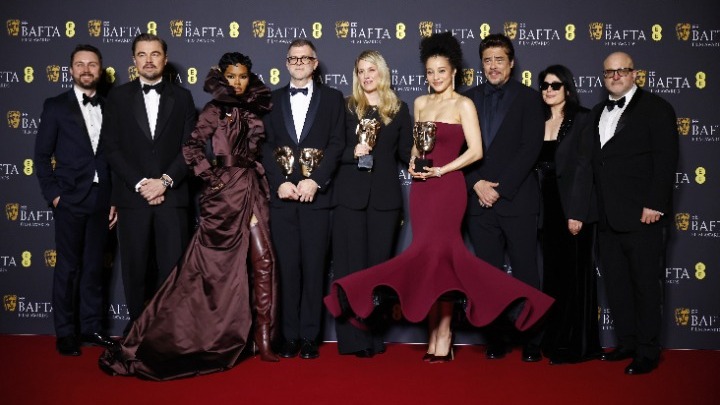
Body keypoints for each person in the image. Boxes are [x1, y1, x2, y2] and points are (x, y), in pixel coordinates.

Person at [324, 32, 553, 363]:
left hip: (448, 188)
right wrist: (415, 164)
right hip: (423, 189)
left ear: (454, 72)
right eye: (430, 72)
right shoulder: (419, 103)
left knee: (446, 262)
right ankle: (432, 332)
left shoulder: (464, 104)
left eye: (441, 71)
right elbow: (417, 148)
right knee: (427, 263)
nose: (435, 77)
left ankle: (447, 334)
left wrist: (443, 170)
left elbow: (476, 152)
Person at [99, 52, 278, 380]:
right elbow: (192, 148)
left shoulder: (258, 108)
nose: (237, 82)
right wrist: (213, 178)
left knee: (263, 260)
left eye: (243, 76)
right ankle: (212, 334)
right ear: (222, 77)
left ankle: (263, 337)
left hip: (252, 189)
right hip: (224, 197)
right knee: (218, 270)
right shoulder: (212, 109)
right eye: (232, 76)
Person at [591, 52, 678, 375]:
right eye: (609, 72)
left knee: (645, 286)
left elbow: (666, 159)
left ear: (635, 74)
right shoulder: (598, 112)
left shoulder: (657, 108)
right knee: (617, 284)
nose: (615, 76)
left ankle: (647, 351)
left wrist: (655, 204)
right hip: (606, 217)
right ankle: (626, 342)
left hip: (643, 216)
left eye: (622, 70)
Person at [101, 33, 196, 327]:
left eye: (155, 54)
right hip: (133, 198)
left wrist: (164, 181)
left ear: (165, 59)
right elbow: (111, 148)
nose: (149, 60)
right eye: (142, 54)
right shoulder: (118, 97)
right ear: (134, 60)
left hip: (173, 197)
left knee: (173, 270)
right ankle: (137, 331)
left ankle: (170, 333)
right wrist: (142, 184)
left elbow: (190, 147)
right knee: (135, 269)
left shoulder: (183, 97)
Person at [462, 33, 546, 362]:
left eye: (499, 59)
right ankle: (496, 338)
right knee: (488, 274)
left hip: (517, 200)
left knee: (526, 272)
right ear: (481, 65)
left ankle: (533, 339)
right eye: (487, 60)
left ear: (511, 63)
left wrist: (500, 188)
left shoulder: (530, 98)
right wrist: (476, 184)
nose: (493, 66)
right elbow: (458, 150)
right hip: (478, 203)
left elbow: (530, 148)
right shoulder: (467, 99)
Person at [261, 39, 345, 359]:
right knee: (286, 269)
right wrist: (279, 182)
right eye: (293, 59)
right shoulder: (270, 100)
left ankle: (310, 336)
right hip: (283, 199)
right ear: (286, 63)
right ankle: (289, 335)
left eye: (304, 58)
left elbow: (337, 144)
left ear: (314, 63)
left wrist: (316, 181)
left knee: (314, 269)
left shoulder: (333, 99)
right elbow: (264, 146)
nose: (298, 63)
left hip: (317, 199)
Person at [34, 44, 118, 356]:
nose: (86, 69)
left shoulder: (111, 107)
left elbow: (115, 158)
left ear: (100, 70)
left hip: (102, 199)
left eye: (92, 64)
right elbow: (41, 156)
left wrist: (115, 199)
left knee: (94, 267)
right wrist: (54, 195)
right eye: (80, 64)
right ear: (71, 70)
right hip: (69, 199)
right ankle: (66, 332)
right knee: (68, 268)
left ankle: (91, 327)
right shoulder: (56, 106)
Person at [330, 50, 413, 358]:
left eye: (371, 70)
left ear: (382, 73)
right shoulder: (345, 107)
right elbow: (331, 150)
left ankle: (374, 337)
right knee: (351, 270)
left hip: (384, 201)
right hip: (349, 199)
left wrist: (427, 156)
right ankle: (353, 340)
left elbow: (406, 153)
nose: (366, 76)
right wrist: (352, 152)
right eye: (361, 71)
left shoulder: (399, 109)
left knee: (377, 272)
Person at [535, 64, 602, 364]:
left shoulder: (583, 118)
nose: (549, 90)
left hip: (573, 207)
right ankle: (555, 339)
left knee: (575, 277)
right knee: (554, 276)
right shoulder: (539, 120)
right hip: (546, 208)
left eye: (555, 85)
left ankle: (577, 345)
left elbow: (585, 167)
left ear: (567, 88)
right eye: (545, 85)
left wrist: (577, 213)